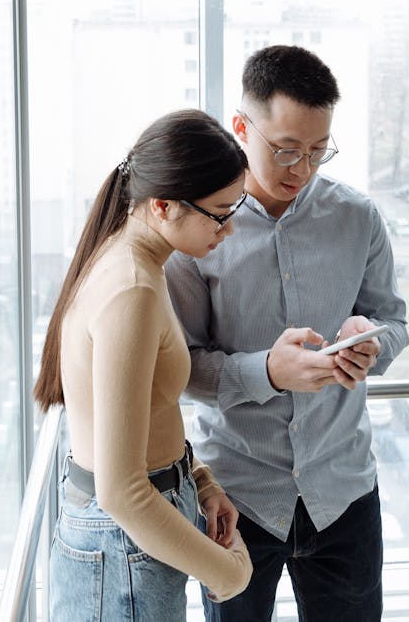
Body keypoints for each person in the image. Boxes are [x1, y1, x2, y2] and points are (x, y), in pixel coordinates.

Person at [165, 46, 409, 621]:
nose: (302, 169)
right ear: (241, 127)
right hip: (236, 500)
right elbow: (180, 368)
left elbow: (394, 320)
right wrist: (266, 372)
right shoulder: (197, 229)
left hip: (343, 493)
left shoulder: (358, 218)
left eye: (318, 151)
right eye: (287, 150)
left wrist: (372, 343)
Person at [34, 109, 253, 621]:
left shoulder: (139, 265)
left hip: (132, 535)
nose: (230, 228)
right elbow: (121, 491)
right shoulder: (131, 287)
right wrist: (231, 575)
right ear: (162, 205)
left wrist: (198, 479)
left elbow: (146, 411)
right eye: (220, 213)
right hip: (123, 545)